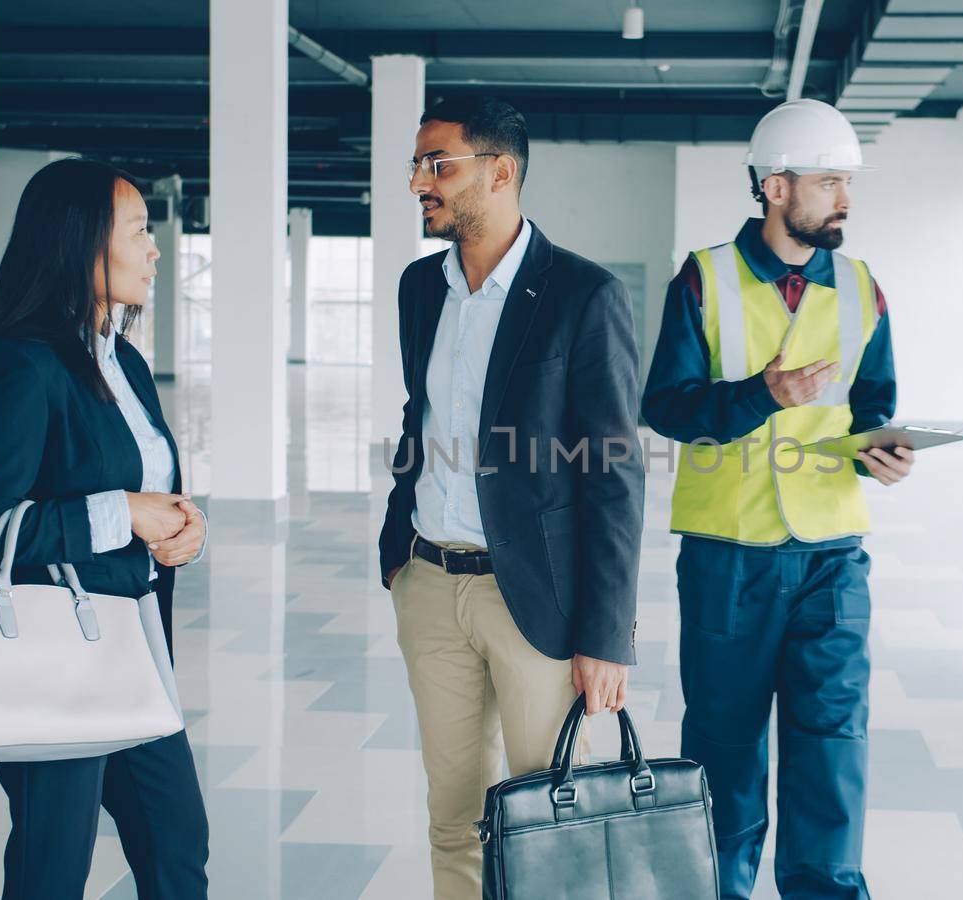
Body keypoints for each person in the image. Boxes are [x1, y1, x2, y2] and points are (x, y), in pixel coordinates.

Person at [642, 98, 911, 900]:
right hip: (729, 555)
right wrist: (761, 393)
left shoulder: (863, 288)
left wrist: (881, 454)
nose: (846, 199)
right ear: (777, 188)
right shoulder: (705, 277)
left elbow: (873, 407)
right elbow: (667, 406)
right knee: (723, 748)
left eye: (846, 182)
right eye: (831, 182)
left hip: (833, 557)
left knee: (833, 742)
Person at [376, 95, 643, 899]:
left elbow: (614, 472)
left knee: (553, 817)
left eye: (439, 164)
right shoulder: (421, 288)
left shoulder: (583, 295)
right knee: (452, 816)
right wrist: (399, 552)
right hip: (430, 586)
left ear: (500, 173)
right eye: (417, 164)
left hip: (538, 597)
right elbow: (417, 417)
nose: (420, 181)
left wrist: (607, 633)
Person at [0, 158, 210, 900]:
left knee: (176, 845)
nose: (155, 247)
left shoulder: (123, 359)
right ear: (80, 244)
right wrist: (121, 510)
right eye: (139, 230)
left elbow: (153, 488)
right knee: (52, 868)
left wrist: (180, 531)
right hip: (56, 659)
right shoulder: (22, 365)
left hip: (134, 648)